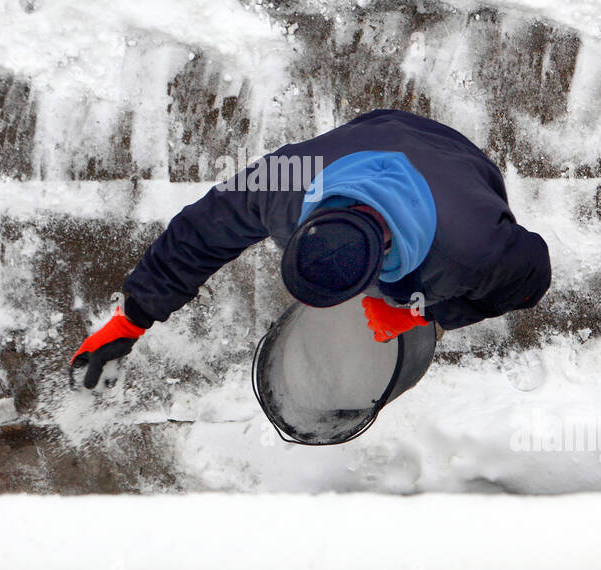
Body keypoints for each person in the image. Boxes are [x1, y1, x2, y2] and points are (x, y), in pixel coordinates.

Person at [69, 108, 551, 388]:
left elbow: (533, 277)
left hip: (461, 166)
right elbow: (201, 231)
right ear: (304, 224)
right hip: (375, 130)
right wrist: (131, 316)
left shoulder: (469, 252)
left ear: (383, 258)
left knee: (417, 293)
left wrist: (425, 314)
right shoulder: (285, 183)